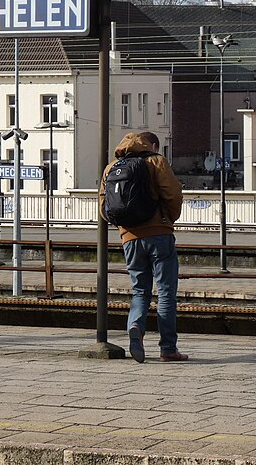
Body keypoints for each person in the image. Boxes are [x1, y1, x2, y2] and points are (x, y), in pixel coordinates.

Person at [99, 131, 186, 364]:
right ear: (153, 145)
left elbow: (103, 206)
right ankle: (168, 349)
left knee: (140, 290)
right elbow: (173, 194)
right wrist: (168, 218)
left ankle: (135, 325)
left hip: (129, 238)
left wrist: (126, 227)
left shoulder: (111, 168)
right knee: (166, 292)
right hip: (160, 234)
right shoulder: (156, 161)